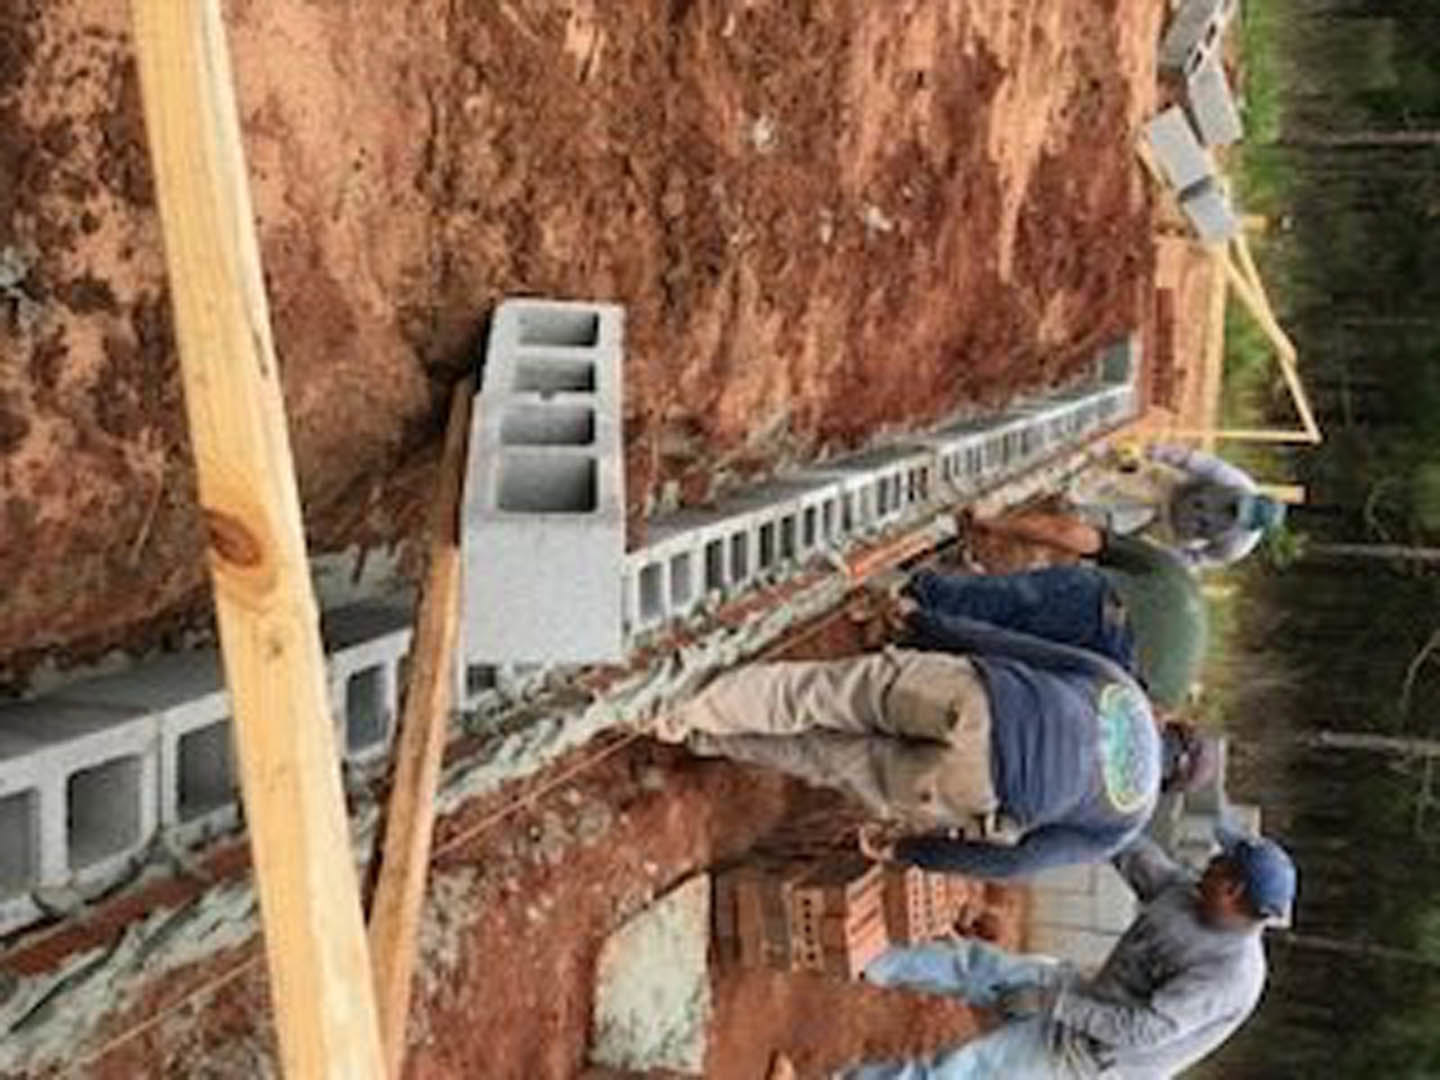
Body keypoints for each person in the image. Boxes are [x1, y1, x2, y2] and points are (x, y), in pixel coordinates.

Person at [652, 610, 1209, 878]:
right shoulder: (1126, 822)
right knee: (822, 756)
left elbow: (1007, 642)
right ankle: (702, 736)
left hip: (976, 701)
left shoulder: (1124, 690)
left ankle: (680, 708)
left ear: (1169, 725)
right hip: (972, 788)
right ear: (1166, 787)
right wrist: (911, 851)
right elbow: (1018, 863)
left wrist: (922, 623)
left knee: (816, 694)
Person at [829, 826, 1297, 1079]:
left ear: (1233, 889)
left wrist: (1053, 1005)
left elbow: (1142, 1030)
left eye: (1222, 862)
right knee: (976, 966)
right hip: (1085, 992)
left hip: (1089, 1061)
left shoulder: (1230, 973)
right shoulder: (1189, 894)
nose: (1211, 860)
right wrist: (1088, 816)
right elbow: (1130, 851)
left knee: (960, 1074)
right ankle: (861, 954)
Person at [899, 509, 1209, 710]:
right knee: (996, 659)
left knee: (971, 601)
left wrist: (996, 523)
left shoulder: (1173, 575)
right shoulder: (1175, 694)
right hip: (1113, 678)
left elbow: (1067, 533)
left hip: (1101, 605)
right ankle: (911, 649)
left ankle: (900, 597)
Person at [1068, 441, 1286, 571]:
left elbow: (1196, 559)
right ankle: (1078, 474)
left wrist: (1157, 554)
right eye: (1237, 504)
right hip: (1174, 489)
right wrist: (1147, 453)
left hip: (1171, 532)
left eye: (1236, 515)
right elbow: (1191, 460)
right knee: (1121, 478)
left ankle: (1078, 526)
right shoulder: (1236, 481)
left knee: (1115, 534)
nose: (1229, 510)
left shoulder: (1235, 547)